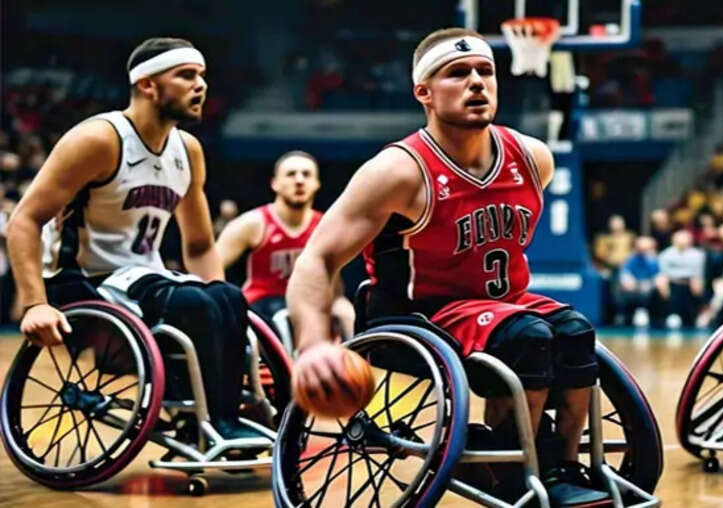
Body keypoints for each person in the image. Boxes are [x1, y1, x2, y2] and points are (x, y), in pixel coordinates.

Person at [287, 27, 610, 505]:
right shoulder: (397, 171)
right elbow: (317, 257)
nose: (476, 82)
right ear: (424, 92)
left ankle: (562, 466)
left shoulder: (533, 157)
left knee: (577, 329)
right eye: (458, 73)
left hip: (503, 305)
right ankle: (512, 473)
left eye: (485, 71)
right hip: (421, 313)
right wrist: (313, 345)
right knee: (528, 337)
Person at [7, 37, 261, 440]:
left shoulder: (188, 150)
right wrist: (36, 304)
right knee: (192, 301)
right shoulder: (99, 140)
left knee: (227, 297)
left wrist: (226, 312)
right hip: (82, 278)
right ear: (147, 85)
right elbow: (23, 220)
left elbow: (197, 245)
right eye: (187, 75)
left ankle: (220, 412)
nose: (201, 86)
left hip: (141, 277)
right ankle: (218, 422)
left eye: (202, 76)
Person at [215, 151, 354, 342]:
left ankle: (351, 367)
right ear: (275, 184)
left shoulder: (325, 225)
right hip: (262, 304)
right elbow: (211, 266)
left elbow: (334, 284)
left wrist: (338, 305)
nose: (299, 180)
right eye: (291, 174)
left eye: (306, 174)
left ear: (317, 184)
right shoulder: (253, 223)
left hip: (309, 302)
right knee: (279, 314)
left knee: (345, 311)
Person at [613, 236, 660, 326]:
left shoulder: (653, 260)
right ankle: (625, 315)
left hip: (649, 286)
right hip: (633, 287)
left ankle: (650, 315)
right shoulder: (630, 259)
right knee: (623, 286)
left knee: (657, 287)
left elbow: (658, 276)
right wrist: (629, 280)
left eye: (646, 249)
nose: (643, 251)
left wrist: (650, 283)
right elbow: (625, 274)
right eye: (641, 249)